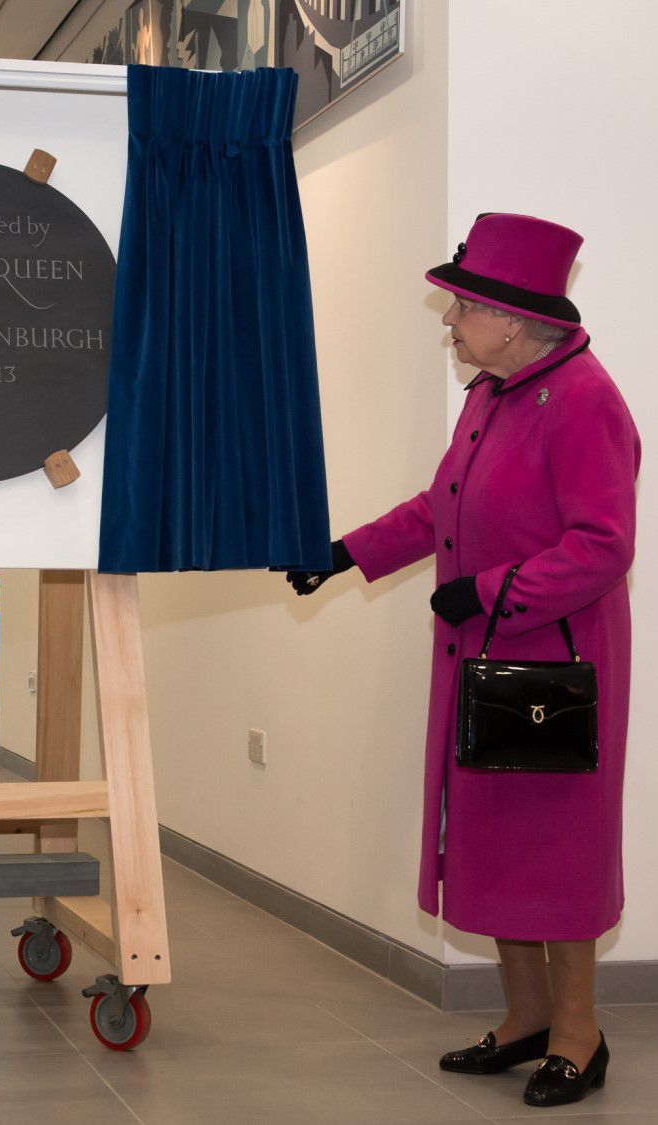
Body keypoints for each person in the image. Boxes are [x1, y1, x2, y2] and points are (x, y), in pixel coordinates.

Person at [287, 214, 639, 1110]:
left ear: (514, 319)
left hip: (556, 667)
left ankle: (578, 1033)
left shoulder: (588, 400)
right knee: (492, 842)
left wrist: (490, 592)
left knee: (556, 852)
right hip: (487, 661)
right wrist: (344, 552)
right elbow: (441, 507)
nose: (449, 321)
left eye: (461, 307)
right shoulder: (493, 394)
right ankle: (525, 1019)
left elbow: (603, 545)